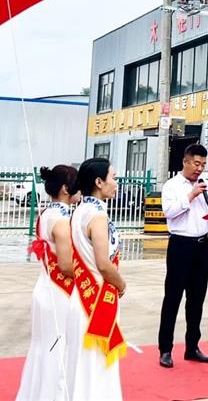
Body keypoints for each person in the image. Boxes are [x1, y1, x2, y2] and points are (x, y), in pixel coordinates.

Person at [158, 143, 208, 368]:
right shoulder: (172, 186)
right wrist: (191, 195)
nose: (199, 169)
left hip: (201, 246)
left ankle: (192, 347)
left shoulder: (206, 184)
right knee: (173, 298)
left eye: (203, 165)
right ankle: (165, 349)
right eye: (196, 164)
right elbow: (169, 213)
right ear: (185, 162)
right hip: (180, 246)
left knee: (197, 299)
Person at [16, 165, 78, 401]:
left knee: (43, 348)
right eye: (76, 184)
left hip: (44, 288)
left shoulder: (45, 214)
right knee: (58, 349)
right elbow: (66, 265)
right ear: (65, 189)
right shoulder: (62, 220)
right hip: (59, 294)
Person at [66, 158, 126, 401]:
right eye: (113, 177)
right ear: (99, 182)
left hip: (80, 297)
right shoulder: (97, 216)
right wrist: (121, 284)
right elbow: (103, 264)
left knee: (81, 368)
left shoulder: (79, 211)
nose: (116, 182)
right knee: (97, 368)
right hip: (98, 300)